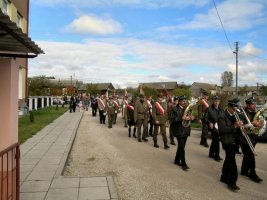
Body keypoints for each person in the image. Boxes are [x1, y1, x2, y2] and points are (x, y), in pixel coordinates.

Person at [218, 98, 243, 191]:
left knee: (228, 159)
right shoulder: (222, 115)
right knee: (232, 161)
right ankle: (232, 182)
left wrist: (241, 126)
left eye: (235, 108)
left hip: (234, 141)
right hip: (227, 141)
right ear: (228, 107)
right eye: (233, 108)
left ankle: (224, 177)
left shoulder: (235, 114)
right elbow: (222, 129)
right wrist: (235, 126)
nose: (234, 110)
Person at [240, 97, 263, 183]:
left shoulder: (257, 113)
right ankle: (253, 173)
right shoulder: (242, 113)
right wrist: (252, 124)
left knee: (247, 155)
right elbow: (242, 125)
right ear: (248, 105)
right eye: (253, 104)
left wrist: (260, 124)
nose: (255, 106)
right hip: (244, 138)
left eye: (255, 104)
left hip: (253, 137)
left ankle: (244, 171)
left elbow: (261, 123)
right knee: (251, 155)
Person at [171, 95, 194, 170]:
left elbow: (189, 117)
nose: (185, 102)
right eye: (183, 101)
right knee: (181, 147)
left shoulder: (186, 109)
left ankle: (177, 160)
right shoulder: (174, 109)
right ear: (179, 101)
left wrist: (191, 118)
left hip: (186, 130)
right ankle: (184, 164)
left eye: (185, 101)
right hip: (178, 130)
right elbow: (172, 119)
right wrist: (181, 118)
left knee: (181, 147)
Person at [204, 95, 223, 161]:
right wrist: (209, 123)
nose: (216, 103)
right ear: (213, 101)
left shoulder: (221, 110)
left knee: (214, 141)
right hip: (213, 127)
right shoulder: (209, 109)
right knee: (216, 141)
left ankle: (211, 153)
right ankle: (216, 156)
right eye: (215, 101)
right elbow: (205, 118)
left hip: (220, 127)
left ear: (219, 102)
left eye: (217, 101)